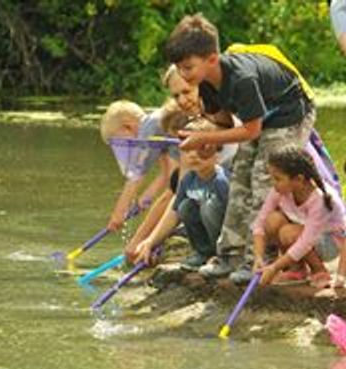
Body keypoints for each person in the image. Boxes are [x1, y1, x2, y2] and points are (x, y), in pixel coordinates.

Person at [165, 14, 316, 284]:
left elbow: (251, 130)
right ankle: (230, 254)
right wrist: (206, 139)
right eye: (179, 68)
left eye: (188, 67)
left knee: (263, 181)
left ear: (212, 58)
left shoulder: (242, 78)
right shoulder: (206, 85)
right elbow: (222, 123)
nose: (183, 76)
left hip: (290, 113)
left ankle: (260, 258)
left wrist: (201, 139)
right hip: (260, 120)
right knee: (239, 178)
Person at [135, 118, 229, 269]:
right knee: (185, 206)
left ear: (217, 152)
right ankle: (204, 253)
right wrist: (150, 242)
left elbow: (234, 220)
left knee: (208, 207)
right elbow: (175, 212)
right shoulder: (188, 180)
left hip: (226, 235)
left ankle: (224, 255)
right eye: (187, 149)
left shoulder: (221, 181)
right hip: (209, 235)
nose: (193, 155)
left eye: (202, 148)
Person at [252, 145, 346, 288]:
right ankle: (296, 269)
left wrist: (274, 267)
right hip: (307, 234)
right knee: (272, 220)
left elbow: (306, 241)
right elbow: (260, 223)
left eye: (277, 179)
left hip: (330, 242)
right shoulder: (280, 190)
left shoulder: (319, 199)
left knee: (287, 232)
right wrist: (258, 257)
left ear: (299, 179)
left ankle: (319, 271)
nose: (273, 183)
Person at [100, 100, 179, 231]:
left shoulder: (149, 127)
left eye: (122, 141)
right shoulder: (156, 132)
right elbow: (166, 173)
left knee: (173, 194)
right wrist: (147, 196)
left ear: (128, 127)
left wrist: (119, 212)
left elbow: (137, 174)